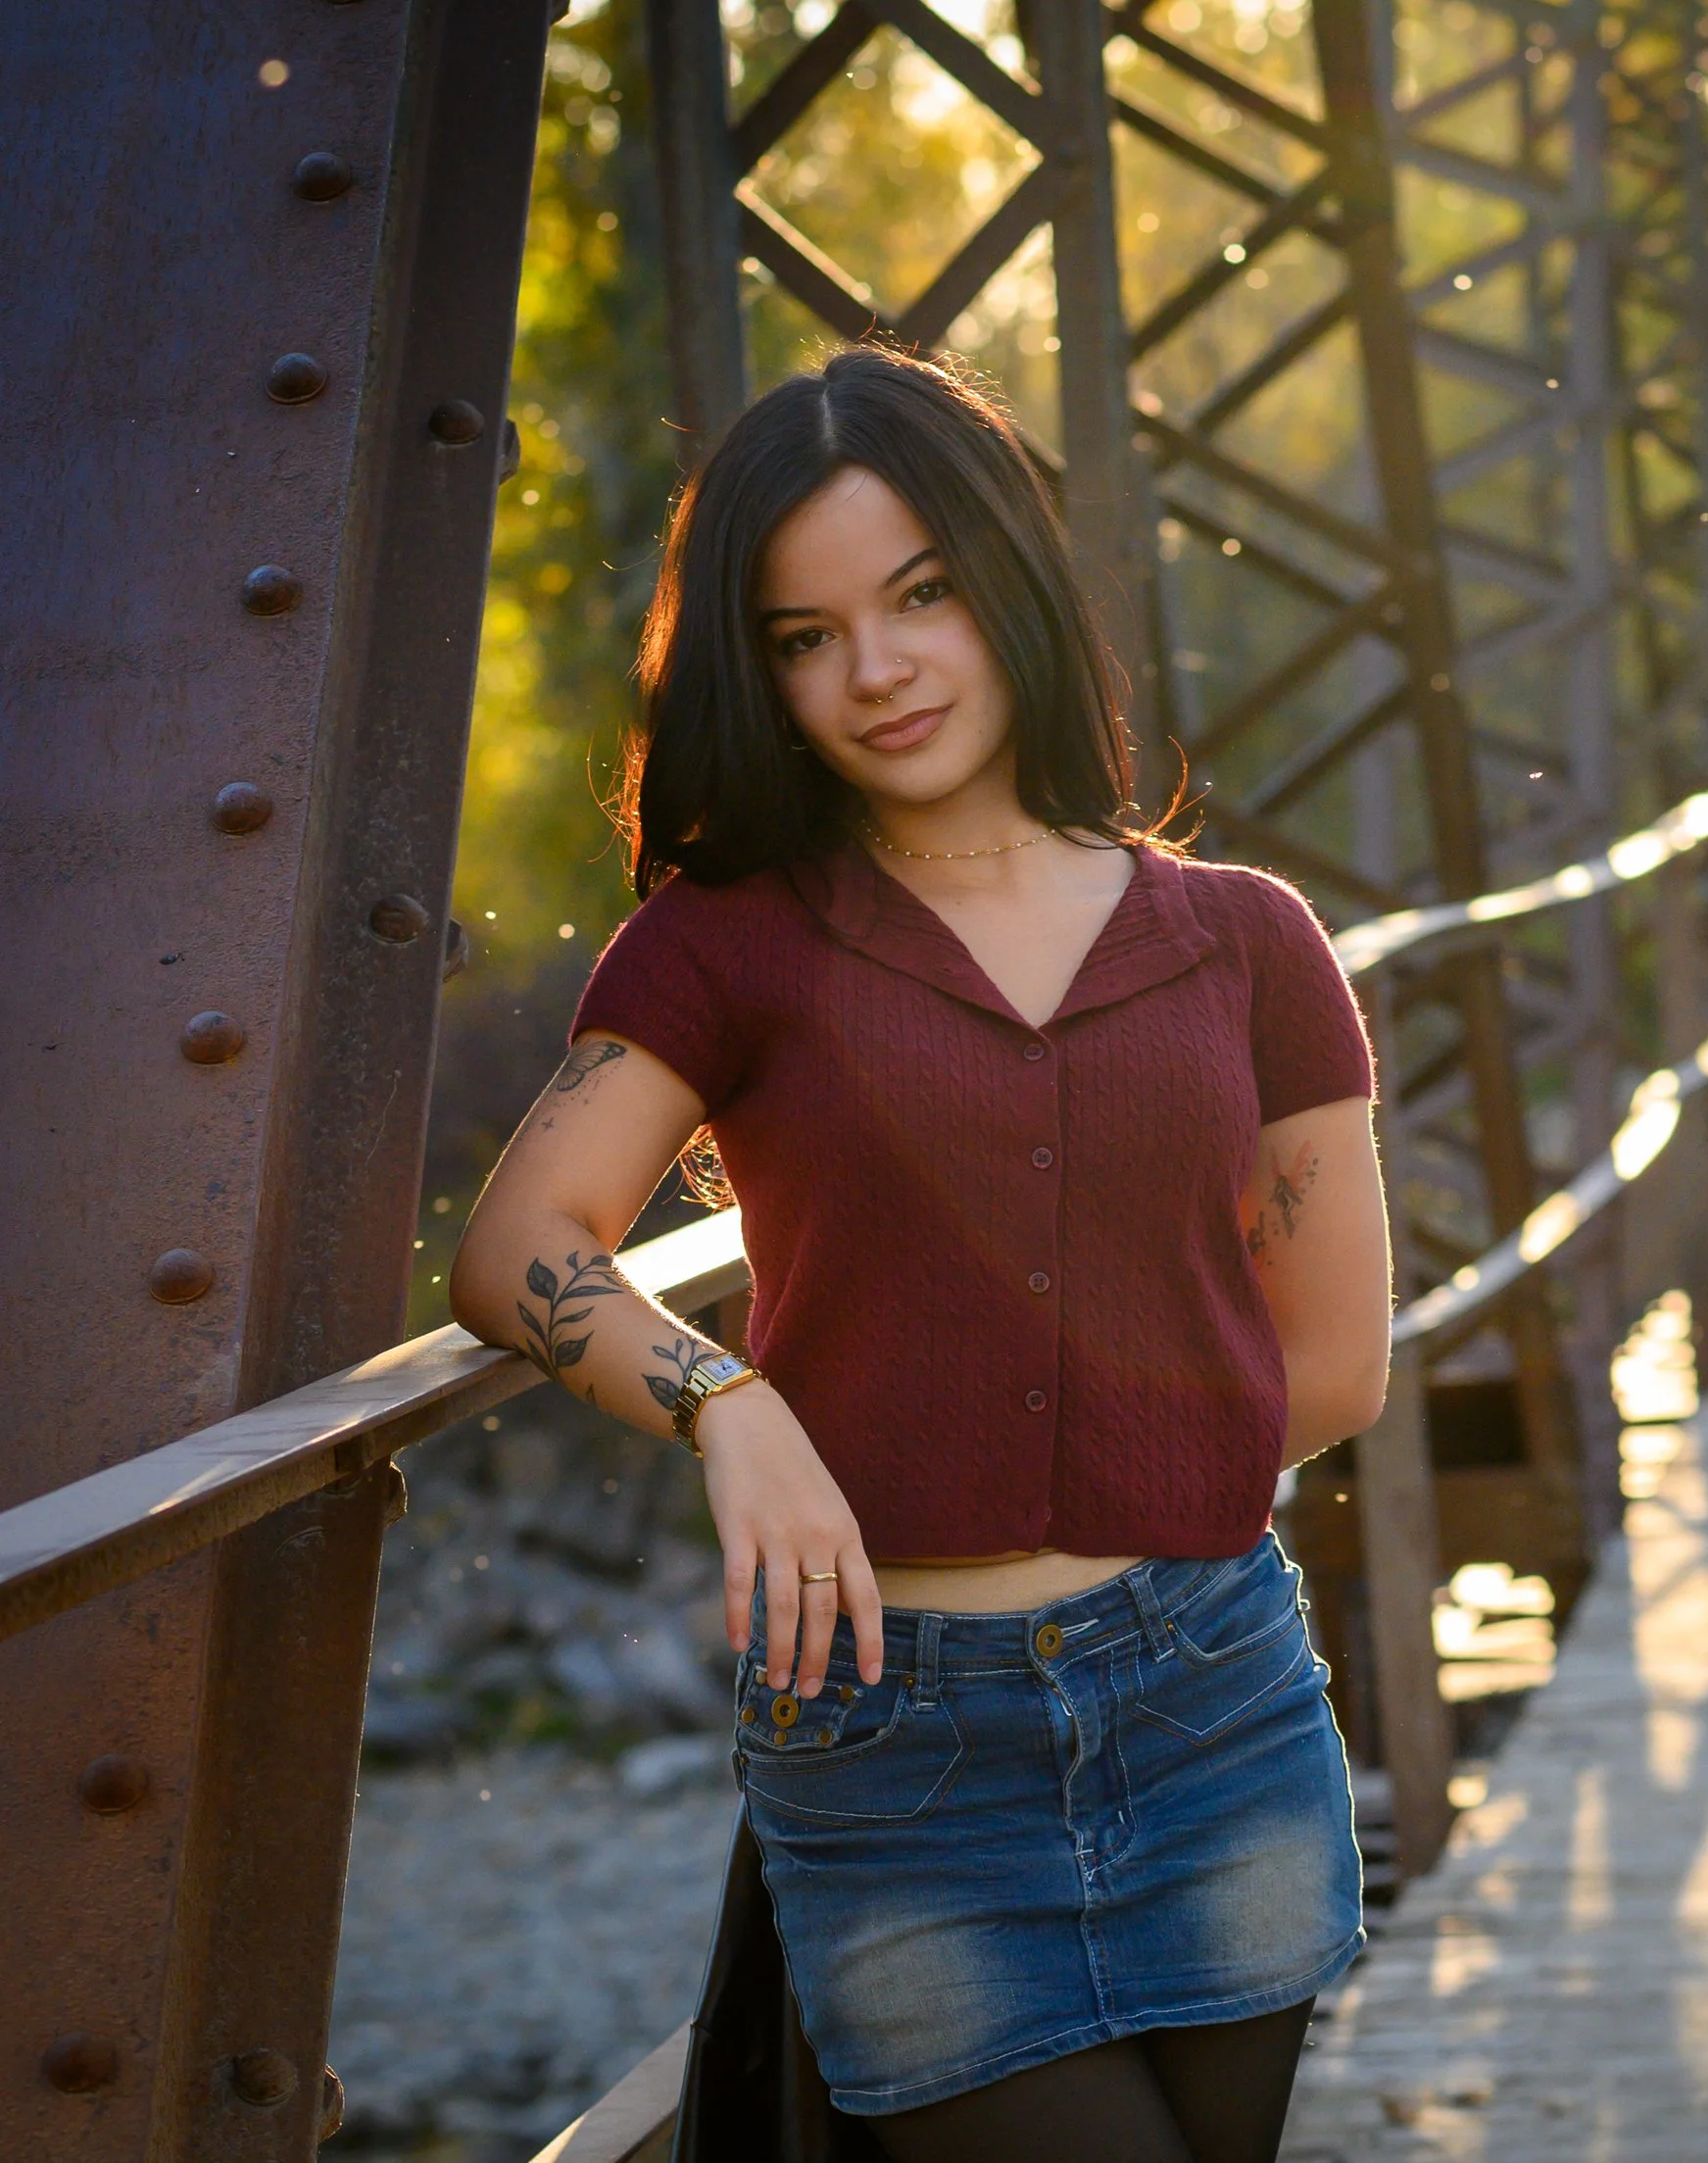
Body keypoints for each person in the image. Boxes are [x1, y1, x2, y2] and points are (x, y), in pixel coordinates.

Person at [450, 344, 1392, 2163]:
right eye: (805, 635)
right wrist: (736, 1407)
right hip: (901, 1745)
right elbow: (516, 1244)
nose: (875, 670)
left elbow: (1338, 1363)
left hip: (1213, 1700)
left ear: (1007, 583)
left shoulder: (1250, 946)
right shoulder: (722, 946)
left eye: (920, 595)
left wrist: (1077, 1465)